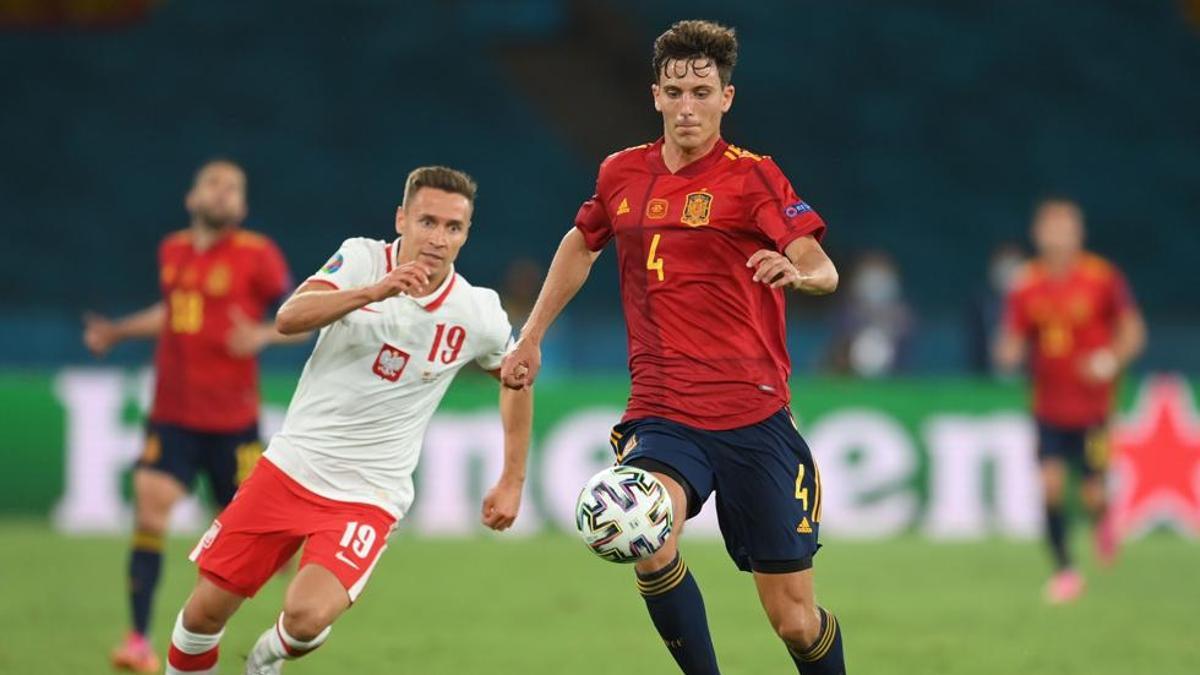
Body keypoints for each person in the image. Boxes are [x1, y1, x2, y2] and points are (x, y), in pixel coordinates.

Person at [503, 20, 845, 675]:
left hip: (755, 416)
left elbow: (821, 264)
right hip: (663, 410)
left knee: (795, 621)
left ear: (727, 98)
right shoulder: (621, 173)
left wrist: (797, 272)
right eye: (675, 90)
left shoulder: (755, 178)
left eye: (701, 90)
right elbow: (583, 241)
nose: (688, 104)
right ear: (655, 95)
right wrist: (533, 333)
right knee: (644, 530)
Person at [163, 166, 532, 674]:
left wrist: (512, 479)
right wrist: (374, 292)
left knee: (306, 615)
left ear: (466, 235)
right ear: (401, 219)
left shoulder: (477, 311)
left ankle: (267, 657)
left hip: (368, 495)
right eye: (427, 222)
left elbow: (517, 379)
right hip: (288, 469)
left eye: (453, 228)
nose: (438, 239)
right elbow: (289, 318)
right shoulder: (360, 259)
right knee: (203, 614)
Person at [83, 159, 304, 673]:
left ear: (243, 206)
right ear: (192, 197)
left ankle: (298, 618)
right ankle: (137, 641)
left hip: (233, 424)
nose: (224, 193)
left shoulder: (258, 255)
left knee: (267, 547)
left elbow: (300, 317)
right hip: (173, 416)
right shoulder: (173, 250)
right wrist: (116, 332)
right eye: (214, 183)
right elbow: (175, 312)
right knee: (150, 509)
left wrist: (262, 335)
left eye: (234, 188)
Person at [994, 197, 1146, 604]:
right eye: (1050, 228)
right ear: (1038, 234)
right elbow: (1012, 337)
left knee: (1093, 491)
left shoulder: (1102, 277)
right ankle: (1065, 571)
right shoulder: (1026, 284)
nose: (1057, 236)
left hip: (1094, 408)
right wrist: (1007, 353)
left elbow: (1133, 332)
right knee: (1051, 488)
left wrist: (1110, 359)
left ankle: (1104, 519)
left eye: (1065, 227)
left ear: (1078, 233)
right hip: (1048, 406)